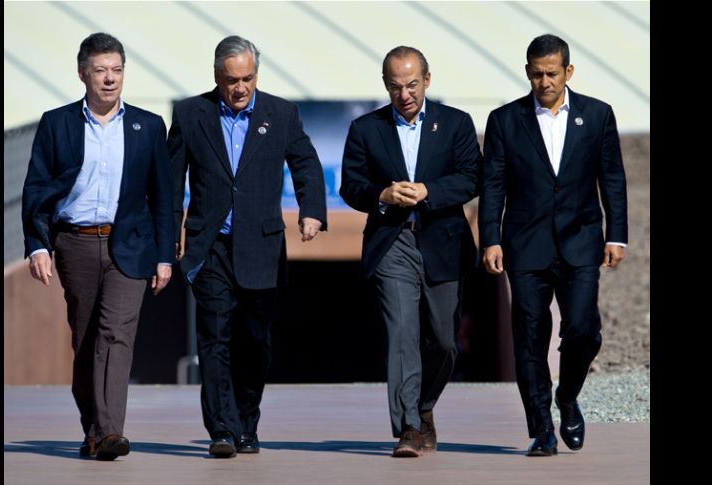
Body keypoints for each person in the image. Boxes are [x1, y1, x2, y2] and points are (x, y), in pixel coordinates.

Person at [168, 35, 327, 458]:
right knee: (214, 338)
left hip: (261, 247)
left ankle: (247, 423)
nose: (240, 88)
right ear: (217, 76)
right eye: (232, 80)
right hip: (211, 246)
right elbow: (170, 183)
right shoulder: (189, 114)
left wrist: (311, 210)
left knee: (255, 341)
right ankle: (221, 430)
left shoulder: (282, 113)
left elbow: (306, 163)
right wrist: (171, 237)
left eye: (248, 78)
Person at [21, 32, 174, 461]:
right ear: (83, 74)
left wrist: (165, 256)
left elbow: (163, 198)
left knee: (115, 335)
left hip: (131, 245)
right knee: (87, 342)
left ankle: (109, 432)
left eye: (117, 70)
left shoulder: (148, 126)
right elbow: (35, 188)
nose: (110, 79)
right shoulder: (57, 123)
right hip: (76, 244)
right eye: (101, 71)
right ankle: (94, 429)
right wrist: (37, 245)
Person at [479, 34, 628, 456]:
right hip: (524, 246)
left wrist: (617, 235)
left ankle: (567, 397)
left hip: (581, 242)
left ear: (568, 71)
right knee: (528, 336)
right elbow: (492, 185)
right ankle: (542, 427)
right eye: (536, 73)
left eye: (551, 73)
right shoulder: (505, 120)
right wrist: (490, 238)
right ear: (527, 72)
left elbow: (612, 179)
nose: (544, 81)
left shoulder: (597, 116)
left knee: (584, 329)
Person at [340, 46, 480, 457]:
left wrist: (430, 192)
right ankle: (407, 428)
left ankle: (424, 406)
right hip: (392, 242)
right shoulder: (366, 129)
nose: (405, 94)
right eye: (396, 86)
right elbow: (351, 185)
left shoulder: (455, 124)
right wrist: (381, 194)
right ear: (386, 85)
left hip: (443, 242)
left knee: (444, 339)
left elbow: (473, 177)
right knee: (401, 333)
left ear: (428, 80)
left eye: (412, 84)